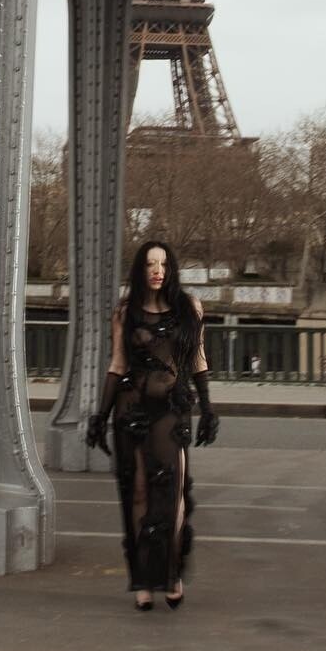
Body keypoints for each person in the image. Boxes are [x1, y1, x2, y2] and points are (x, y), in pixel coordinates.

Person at [85, 239, 219, 611]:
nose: (157, 271)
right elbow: (117, 364)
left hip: (172, 410)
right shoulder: (125, 311)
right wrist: (100, 416)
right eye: (149, 264)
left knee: (173, 495)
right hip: (130, 410)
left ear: (171, 269)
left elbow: (198, 359)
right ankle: (143, 580)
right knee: (138, 493)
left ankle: (172, 574)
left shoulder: (190, 307)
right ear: (140, 270)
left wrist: (208, 409)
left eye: (163, 264)